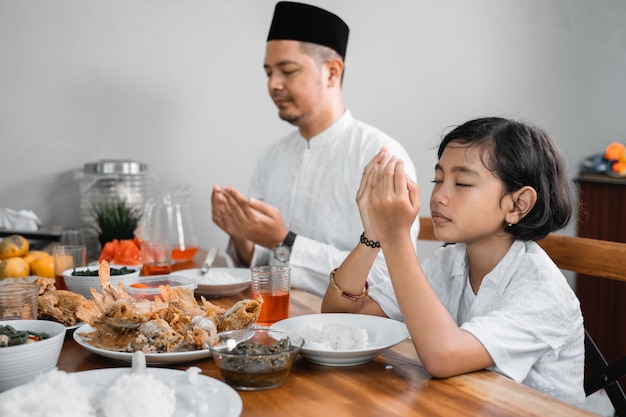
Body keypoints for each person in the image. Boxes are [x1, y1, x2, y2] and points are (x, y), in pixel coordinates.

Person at [321, 117, 585, 406]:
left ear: (517, 204)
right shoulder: (450, 261)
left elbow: (442, 357)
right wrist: (373, 235)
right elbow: (340, 316)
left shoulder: (543, 292)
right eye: (438, 180)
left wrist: (395, 237)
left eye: (462, 183)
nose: (439, 197)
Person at [211, 1, 419, 296]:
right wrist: (242, 234)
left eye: (287, 70)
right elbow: (261, 266)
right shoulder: (271, 157)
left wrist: (285, 241)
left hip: (358, 335)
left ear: (332, 72)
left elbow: (390, 278)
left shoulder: (380, 156)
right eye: (269, 72)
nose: (273, 84)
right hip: (278, 322)